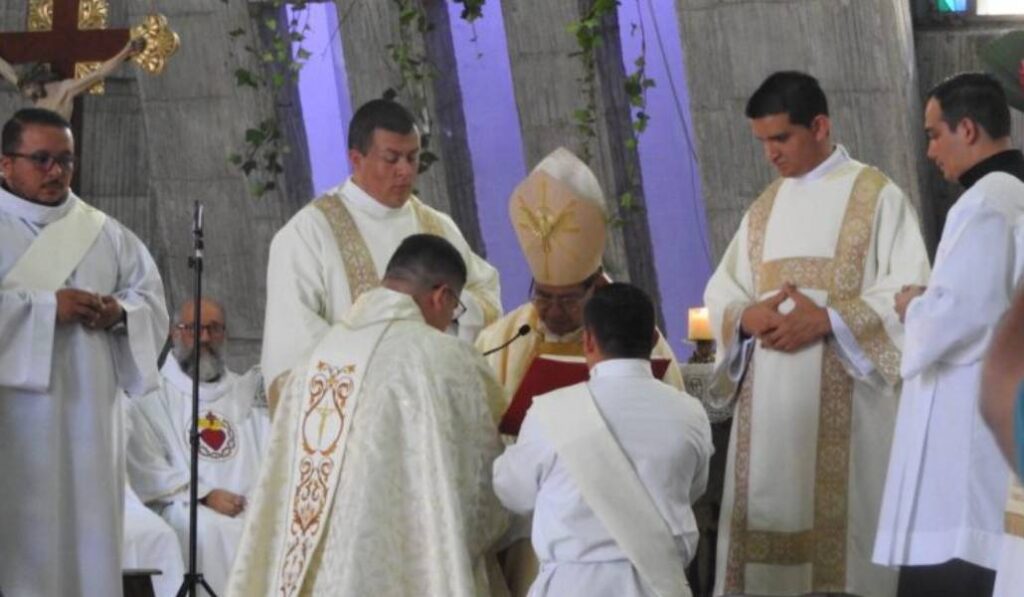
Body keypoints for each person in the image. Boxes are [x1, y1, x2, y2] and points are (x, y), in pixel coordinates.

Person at [704, 71, 931, 597]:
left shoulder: (877, 197)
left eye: (780, 138)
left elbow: (913, 297)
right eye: (762, 142)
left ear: (821, 125)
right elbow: (723, 291)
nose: (771, 155)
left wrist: (828, 319)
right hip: (768, 424)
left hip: (850, 416)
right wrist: (744, 317)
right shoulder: (764, 209)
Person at [228, 234, 508, 597]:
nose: (449, 320)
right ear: (441, 296)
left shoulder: (312, 361)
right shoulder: (446, 360)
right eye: (454, 310)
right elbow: (481, 490)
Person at [475, 146, 685, 597]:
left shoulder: (639, 339)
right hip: (533, 533)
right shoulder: (500, 340)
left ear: (597, 283)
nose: (552, 311)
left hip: (629, 539)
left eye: (569, 299)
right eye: (543, 295)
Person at [0, 107, 168, 596]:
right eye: (42, 159)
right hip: (14, 426)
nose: (56, 172)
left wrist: (119, 315)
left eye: (66, 161)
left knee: (87, 544)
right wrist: (45, 308)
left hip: (88, 424)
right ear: (5, 164)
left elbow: (151, 303)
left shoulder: (105, 233)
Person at [871, 72, 1024, 597]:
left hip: (966, 437)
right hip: (996, 413)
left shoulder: (988, 200)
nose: (931, 151)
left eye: (934, 134)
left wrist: (915, 306)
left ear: (968, 129)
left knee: (955, 568)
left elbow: (964, 312)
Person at [261, 98, 502, 397]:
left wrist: (452, 304)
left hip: (437, 398)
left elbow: (486, 293)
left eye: (413, 157)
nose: (405, 171)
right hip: (363, 414)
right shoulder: (308, 233)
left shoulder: (438, 226)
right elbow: (294, 342)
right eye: (392, 158)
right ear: (356, 158)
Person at [493, 283, 712, 597]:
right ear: (653, 340)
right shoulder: (690, 413)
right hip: (659, 586)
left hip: (573, 586)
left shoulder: (551, 413)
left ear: (588, 340)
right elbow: (693, 488)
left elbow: (513, 494)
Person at [126, 298, 269, 596]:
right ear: (173, 332)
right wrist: (204, 496)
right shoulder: (151, 396)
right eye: (194, 328)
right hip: (186, 506)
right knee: (207, 530)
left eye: (214, 329)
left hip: (249, 505)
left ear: (225, 335)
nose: (204, 338)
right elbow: (145, 466)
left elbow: (270, 454)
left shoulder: (245, 394)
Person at [0, 38, 147, 121]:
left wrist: (127, 50)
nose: (27, 93)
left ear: (37, 81)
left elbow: (99, 73)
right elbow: (8, 72)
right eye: (25, 89)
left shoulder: (65, 89)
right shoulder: (33, 92)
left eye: (28, 88)